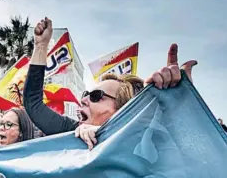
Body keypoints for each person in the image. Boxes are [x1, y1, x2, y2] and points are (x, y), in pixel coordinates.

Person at [25, 17, 196, 150]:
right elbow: (33, 104)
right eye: (86, 94)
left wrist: (178, 101)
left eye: (95, 96)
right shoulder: (73, 132)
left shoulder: (145, 144)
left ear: (123, 111)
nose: (84, 99)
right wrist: (41, 46)